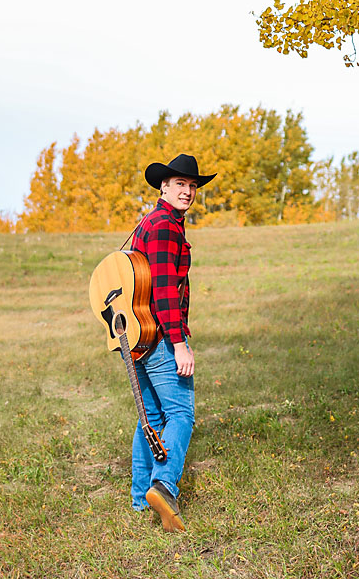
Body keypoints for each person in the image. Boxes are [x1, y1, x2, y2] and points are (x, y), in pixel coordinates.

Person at [128, 152, 216, 531]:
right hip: (160, 334)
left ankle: (138, 499)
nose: (188, 191)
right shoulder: (165, 226)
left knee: (151, 417)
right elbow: (164, 289)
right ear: (164, 186)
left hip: (137, 335)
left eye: (192, 185)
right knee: (180, 414)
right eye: (180, 184)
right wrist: (179, 343)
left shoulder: (147, 222)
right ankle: (163, 486)